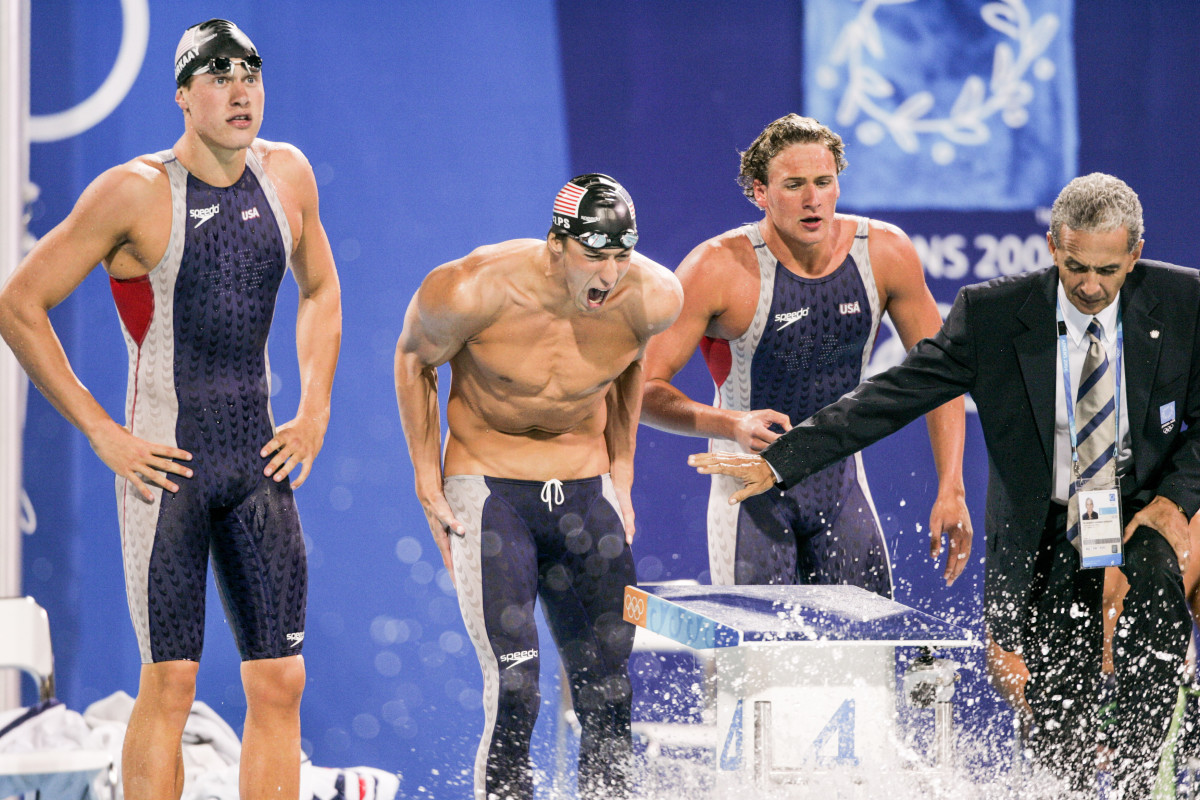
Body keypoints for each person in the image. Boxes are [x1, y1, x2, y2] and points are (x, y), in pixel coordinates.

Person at [690, 173, 1199, 798]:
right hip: (1043, 532)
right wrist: (782, 460)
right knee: (1057, 732)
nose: (1090, 285)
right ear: (1051, 247)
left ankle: (1145, 780)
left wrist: (1176, 499)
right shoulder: (993, 315)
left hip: (1142, 513)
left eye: (1108, 270)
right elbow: (892, 395)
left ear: (1135, 254)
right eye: (1075, 267)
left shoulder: (1184, 302)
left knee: (1152, 598)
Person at [0, 19, 341, 800]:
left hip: (255, 464)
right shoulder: (135, 191)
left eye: (250, 73)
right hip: (167, 471)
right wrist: (101, 430)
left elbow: (321, 287)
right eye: (219, 76)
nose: (240, 90)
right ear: (183, 96)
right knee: (171, 682)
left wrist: (315, 408)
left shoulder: (287, 175)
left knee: (280, 680)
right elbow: (19, 303)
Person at [394, 173, 682, 800]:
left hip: (586, 492)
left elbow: (630, 366)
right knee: (516, 685)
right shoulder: (472, 288)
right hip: (492, 493)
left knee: (610, 688)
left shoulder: (654, 297)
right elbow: (414, 360)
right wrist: (426, 480)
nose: (610, 274)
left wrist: (622, 470)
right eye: (595, 255)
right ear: (556, 243)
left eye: (622, 255)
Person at [641, 114, 971, 594]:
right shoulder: (717, 267)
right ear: (761, 192)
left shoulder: (885, 253)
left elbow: (941, 376)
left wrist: (952, 486)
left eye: (823, 182)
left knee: (866, 642)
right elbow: (644, 391)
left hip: (840, 486)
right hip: (748, 490)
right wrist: (730, 424)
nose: (812, 199)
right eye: (794, 185)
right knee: (762, 644)